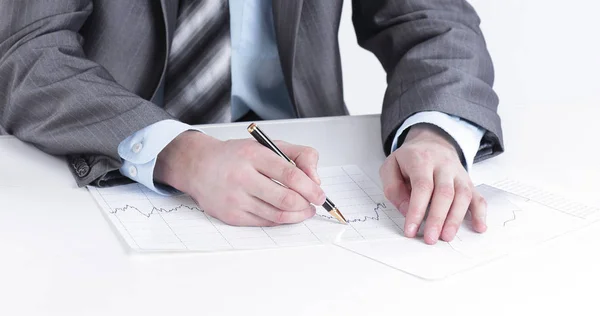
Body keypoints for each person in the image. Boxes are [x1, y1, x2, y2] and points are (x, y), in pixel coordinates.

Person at [0, 0, 503, 244]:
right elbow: (28, 52)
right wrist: (182, 153)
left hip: (304, 166)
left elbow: (436, 23)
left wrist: (433, 133)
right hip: (105, 171)